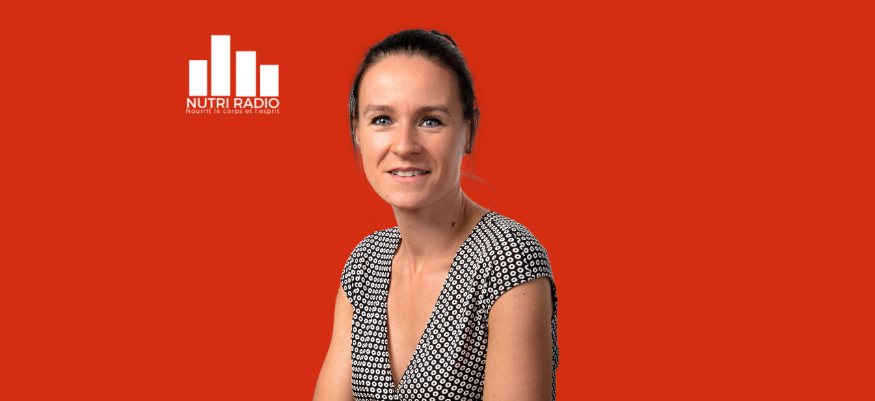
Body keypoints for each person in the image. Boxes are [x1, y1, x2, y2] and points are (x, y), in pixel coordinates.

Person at [313, 29, 558, 401]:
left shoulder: (508, 260)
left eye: (430, 120)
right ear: (356, 132)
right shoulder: (364, 265)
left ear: (469, 130)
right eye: (382, 119)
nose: (404, 145)